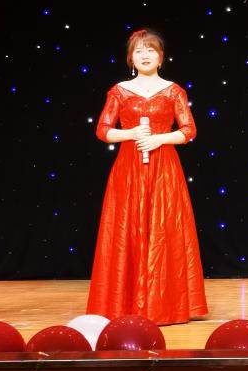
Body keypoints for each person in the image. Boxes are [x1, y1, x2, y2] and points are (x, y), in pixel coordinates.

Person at [86, 29, 208, 325]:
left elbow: (189, 130)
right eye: (138, 51)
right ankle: (124, 304)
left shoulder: (174, 91)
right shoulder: (119, 91)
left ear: (161, 57)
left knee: (164, 230)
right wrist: (130, 134)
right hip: (128, 168)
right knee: (126, 229)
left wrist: (159, 139)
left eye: (150, 50)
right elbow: (102, 130)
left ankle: (166, 305)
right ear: (131, 58)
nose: (145, 55)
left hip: (164, 168)